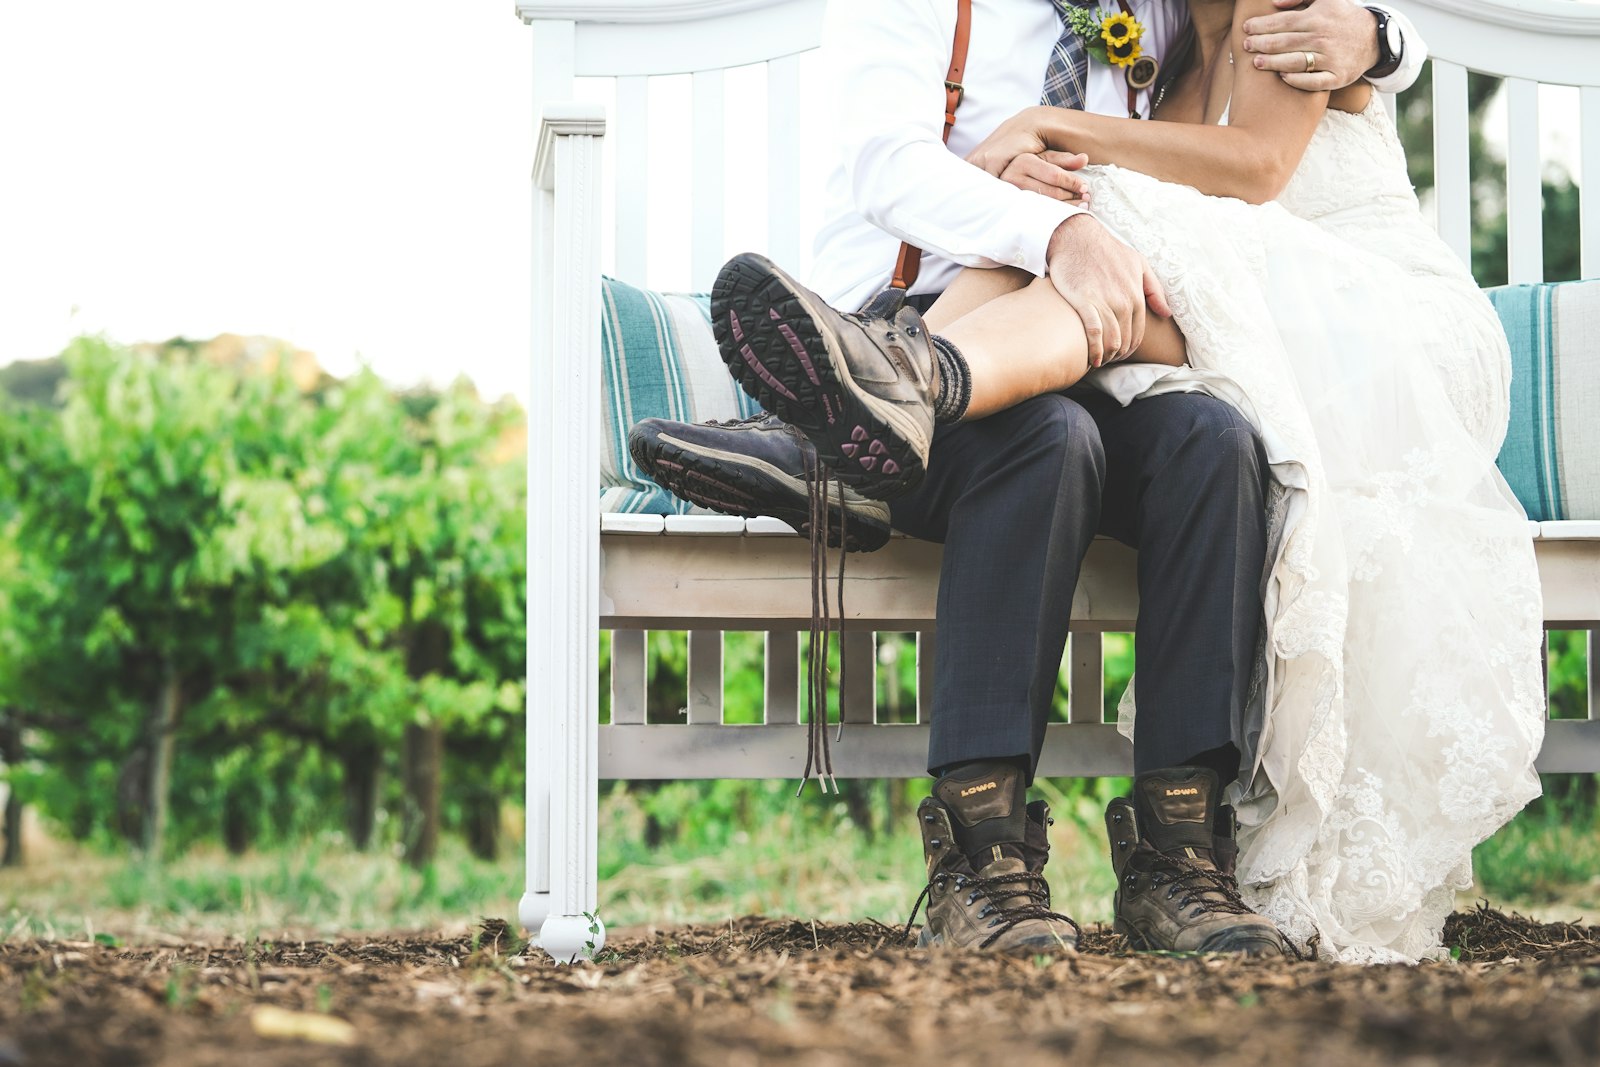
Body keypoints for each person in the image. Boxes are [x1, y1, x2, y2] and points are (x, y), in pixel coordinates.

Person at [632, 0, 1522, 962]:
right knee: (1047, 440)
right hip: (916, 331)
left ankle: (1181, 854)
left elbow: (1290, 97)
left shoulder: (1154, 17)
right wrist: (1046, 228)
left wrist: (1384, 38)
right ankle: (983, 854)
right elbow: (886, 165)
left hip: (1103, 342)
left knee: (1215, 440)